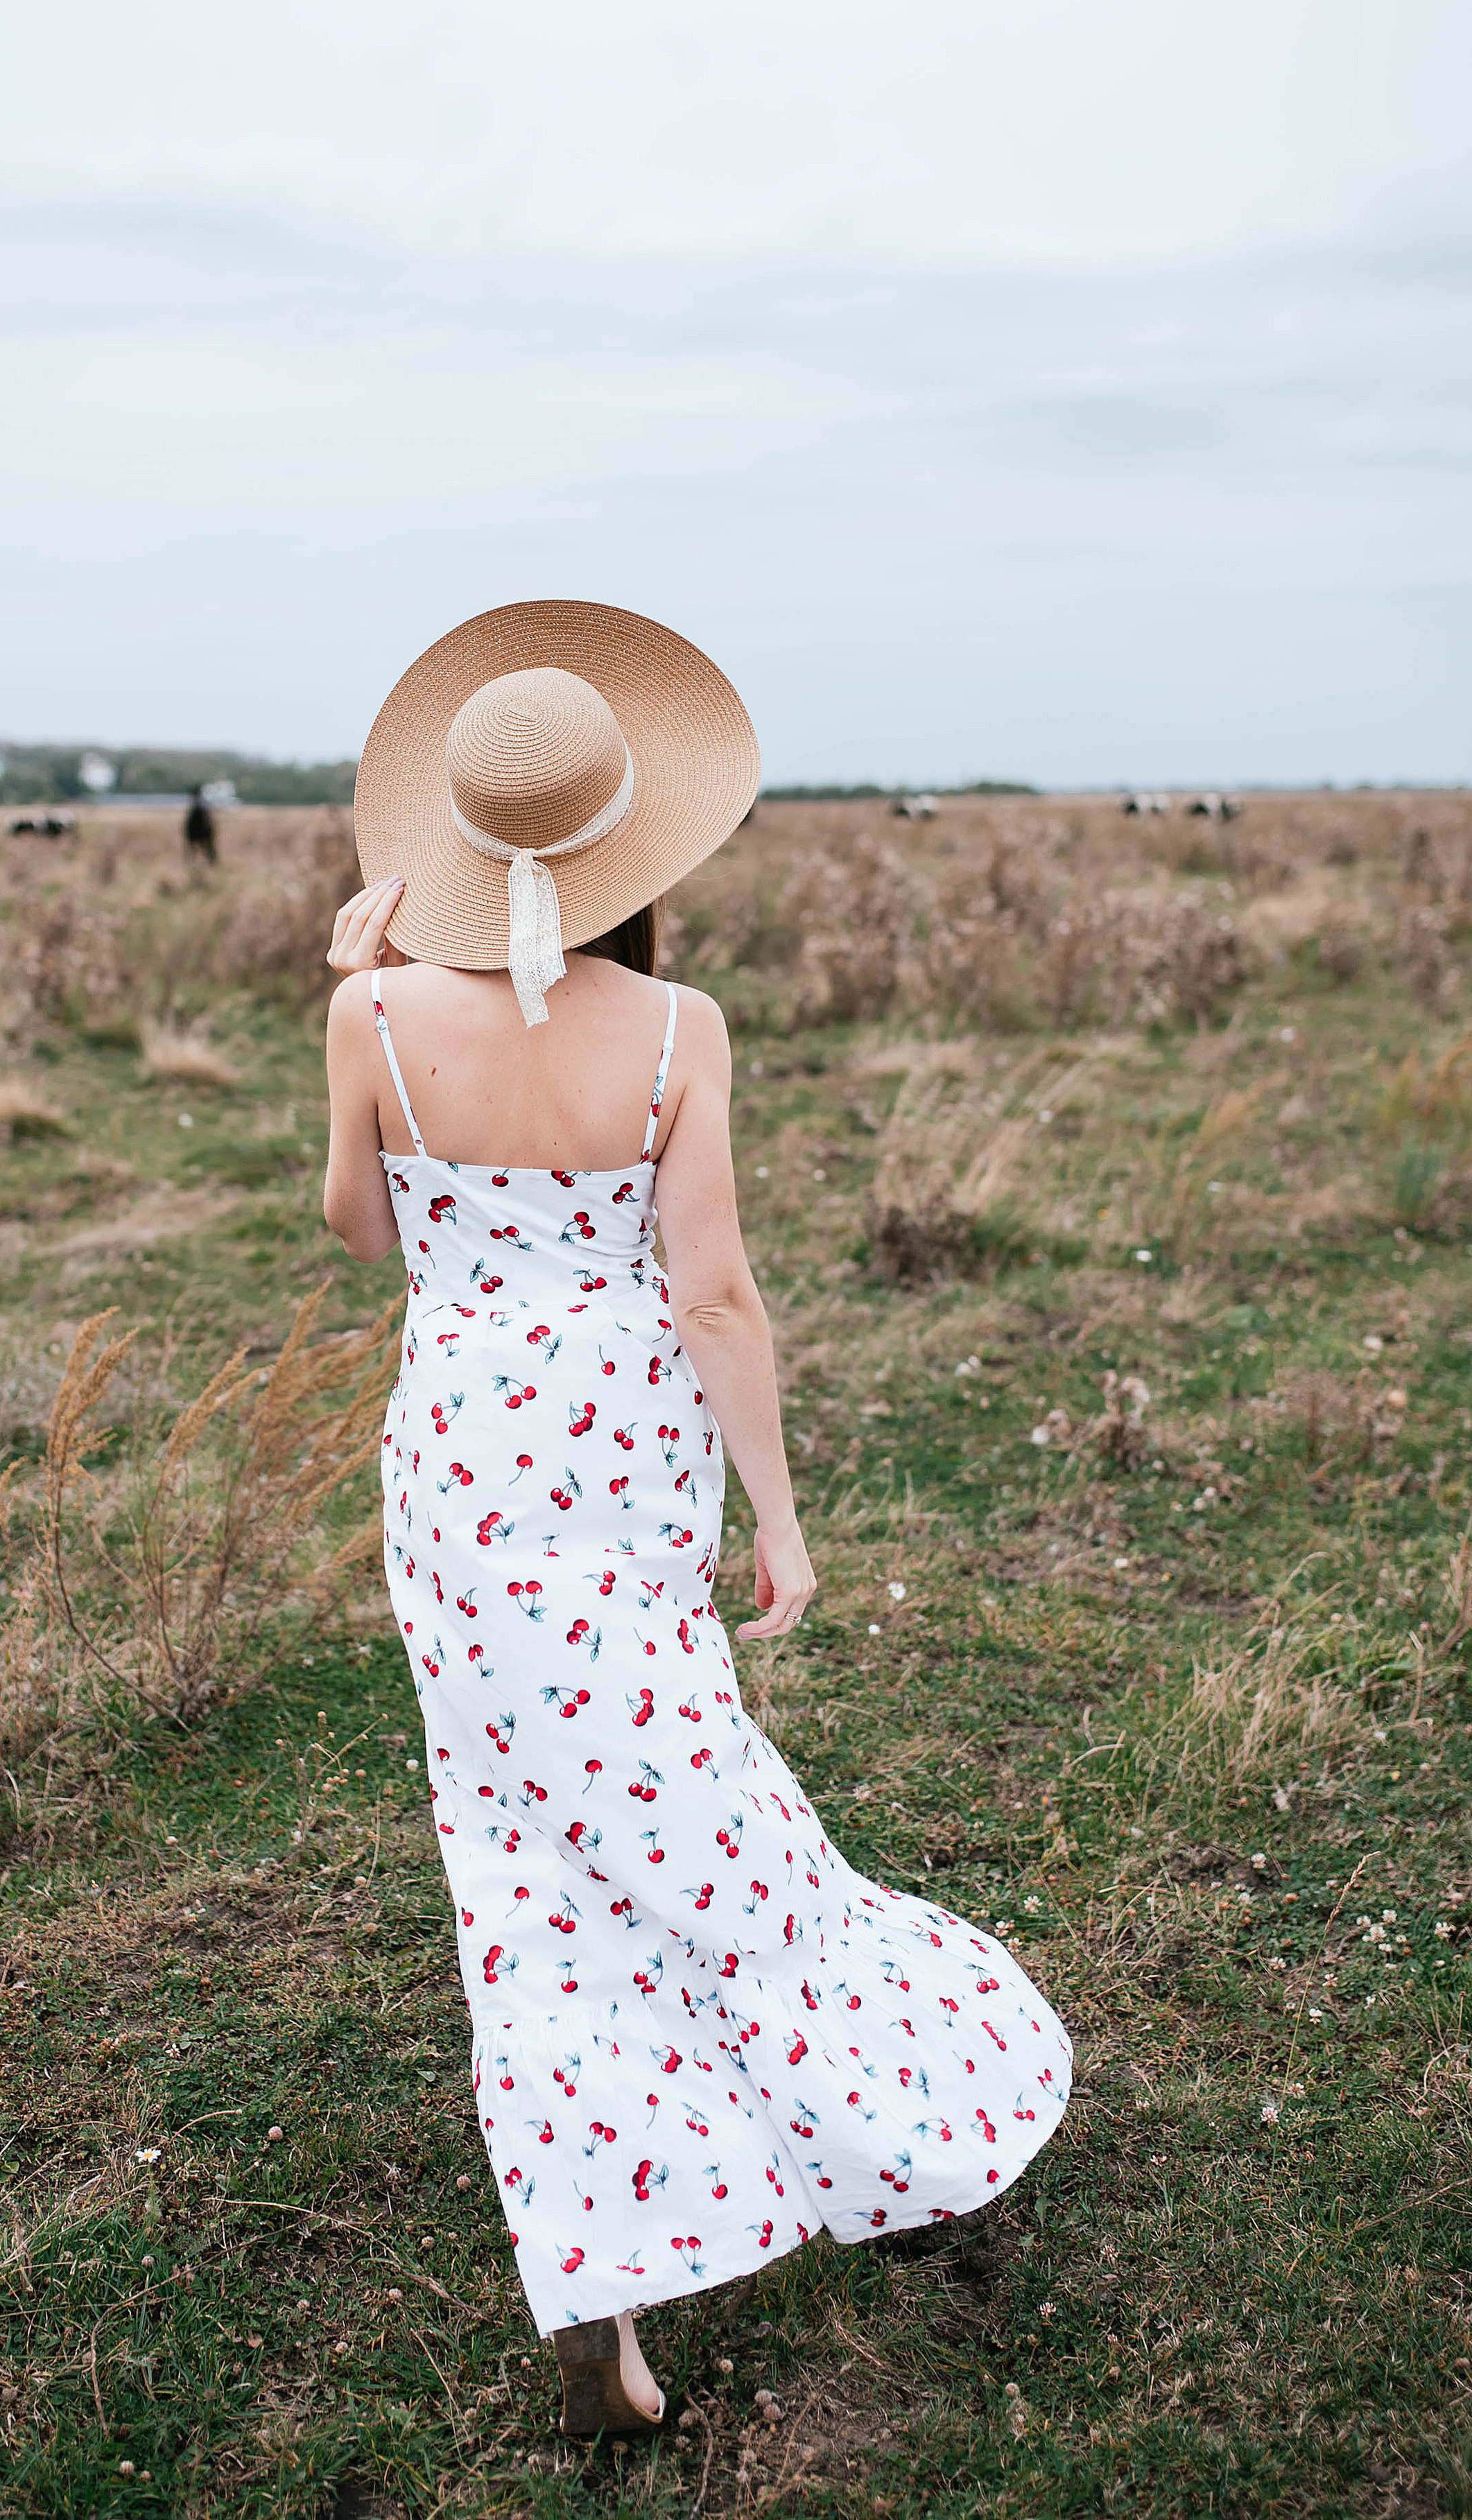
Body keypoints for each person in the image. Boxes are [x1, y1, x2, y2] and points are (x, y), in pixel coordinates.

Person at [322, 601, 1071, 2436]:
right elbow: (717, 1297)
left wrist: (362, 988)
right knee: (698, 1803)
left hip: (462, 1462)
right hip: (615, 1462)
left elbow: (364, 1231)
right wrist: (784, 1521)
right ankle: (882, 2135)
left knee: (518, 1870)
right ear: (628, 839)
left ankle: (601, 2276)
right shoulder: (678, 1030)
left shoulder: (367, 1011)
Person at [184, 781, 217, 864]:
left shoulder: (194, 803)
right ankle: (211, 862)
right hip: (204, 831)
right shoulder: (203, 802)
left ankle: (193, 863)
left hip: (197, 832)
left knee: (193, 850)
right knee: (208, 848)